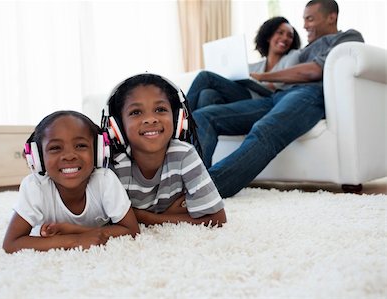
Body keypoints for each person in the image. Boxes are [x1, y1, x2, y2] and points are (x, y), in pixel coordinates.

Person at [192, 0, 364, 198]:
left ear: (331, 17)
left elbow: (314, 71)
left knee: (264, 130)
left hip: (307, 96)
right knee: (204, 116)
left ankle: (202, 192)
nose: (305, 25)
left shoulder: (347, 37)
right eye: (304, 20)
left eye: (310, 19)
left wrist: (263, 76)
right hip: (277, 97)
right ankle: (189, 179)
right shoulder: (305, 49)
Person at [3, 110, 140, 253]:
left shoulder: (105, 180)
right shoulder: (35, 187)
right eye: (55, 148)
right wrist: (75, 241)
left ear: (99, 152)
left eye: (80, 145)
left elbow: (131, 230)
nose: (69, 156)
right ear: (38, 159)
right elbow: (11, 243)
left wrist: (77, 231)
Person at [101, 73, 227, 226]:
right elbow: (103, 219)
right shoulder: (114, 165)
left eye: (160, 109)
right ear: (117, 127)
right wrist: (172, 214)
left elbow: (217, 218)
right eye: (136, 112)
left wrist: (143, 217)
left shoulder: (184, 154)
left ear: (177, 118)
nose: (150, 119)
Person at [187, 16, 301, 112]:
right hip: (246, 97)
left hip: (265, 100)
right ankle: (195, 135)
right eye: (280, 33)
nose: (285, 38)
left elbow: (281, 83)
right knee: (207, 94)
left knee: (205, 76)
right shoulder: (254, 67)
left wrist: (259, 78)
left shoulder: (292, 56)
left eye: (290, 35)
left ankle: (180, 121)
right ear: (268, 36)